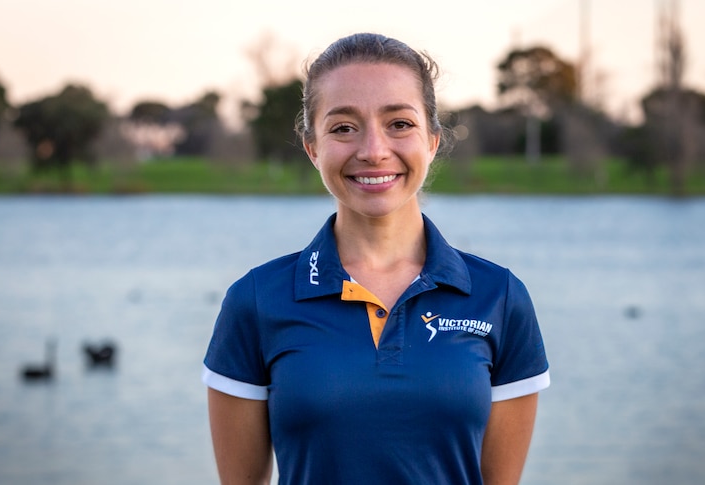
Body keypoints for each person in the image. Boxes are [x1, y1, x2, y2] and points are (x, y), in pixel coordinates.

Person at [203, 32, 550, 485]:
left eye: (399, 124)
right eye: (343, 127)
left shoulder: (499, 298)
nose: (373, 150)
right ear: (313, 147)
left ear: (431, 140)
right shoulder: (255, 300)